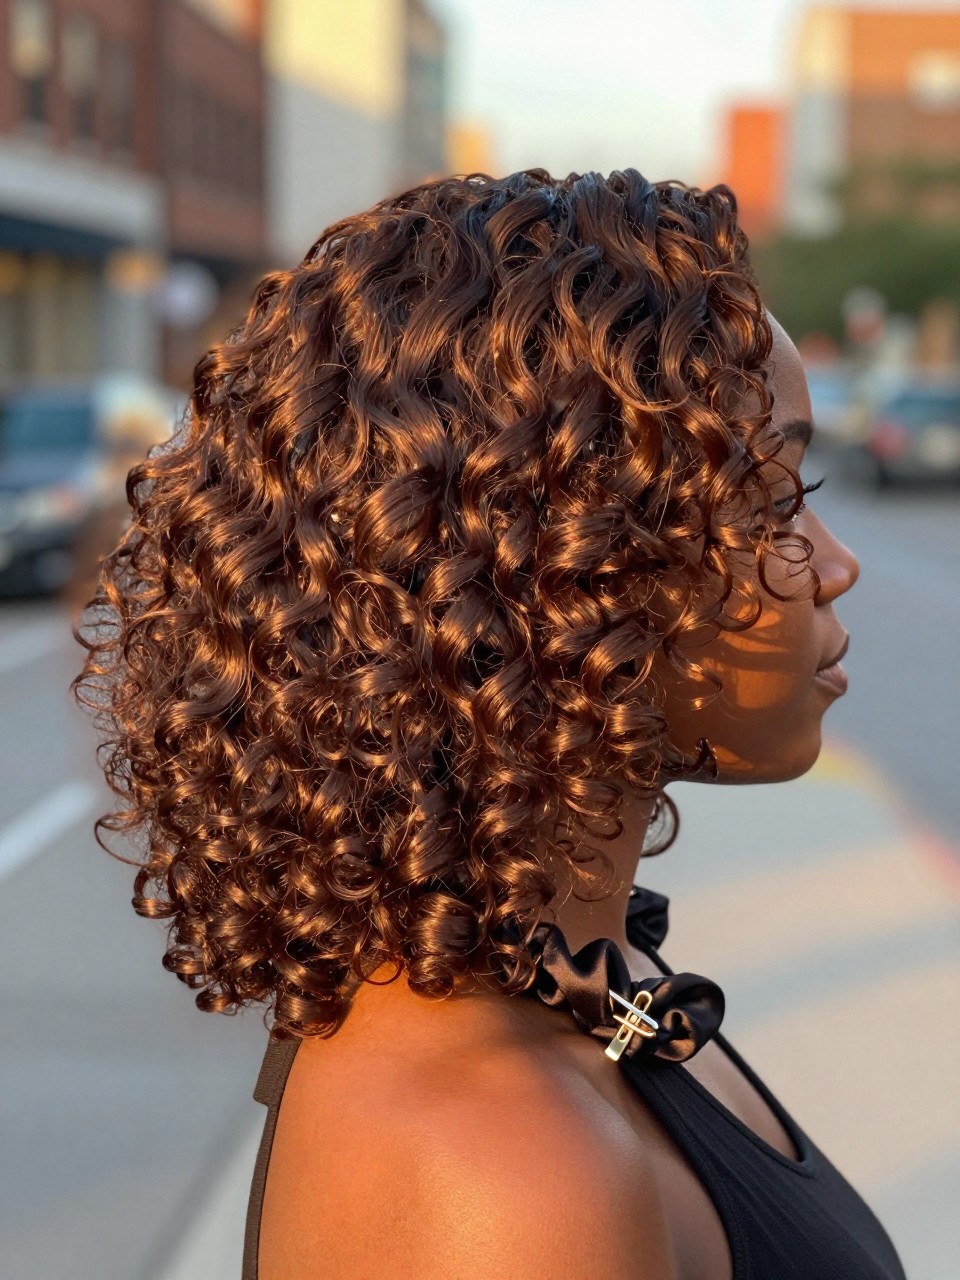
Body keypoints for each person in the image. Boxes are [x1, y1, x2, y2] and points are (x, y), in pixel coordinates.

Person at [73, 168, 905, 1280]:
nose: (835, 568)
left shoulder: (585, 985)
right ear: (555, 559)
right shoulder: (496, 1172)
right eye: (770, 498)